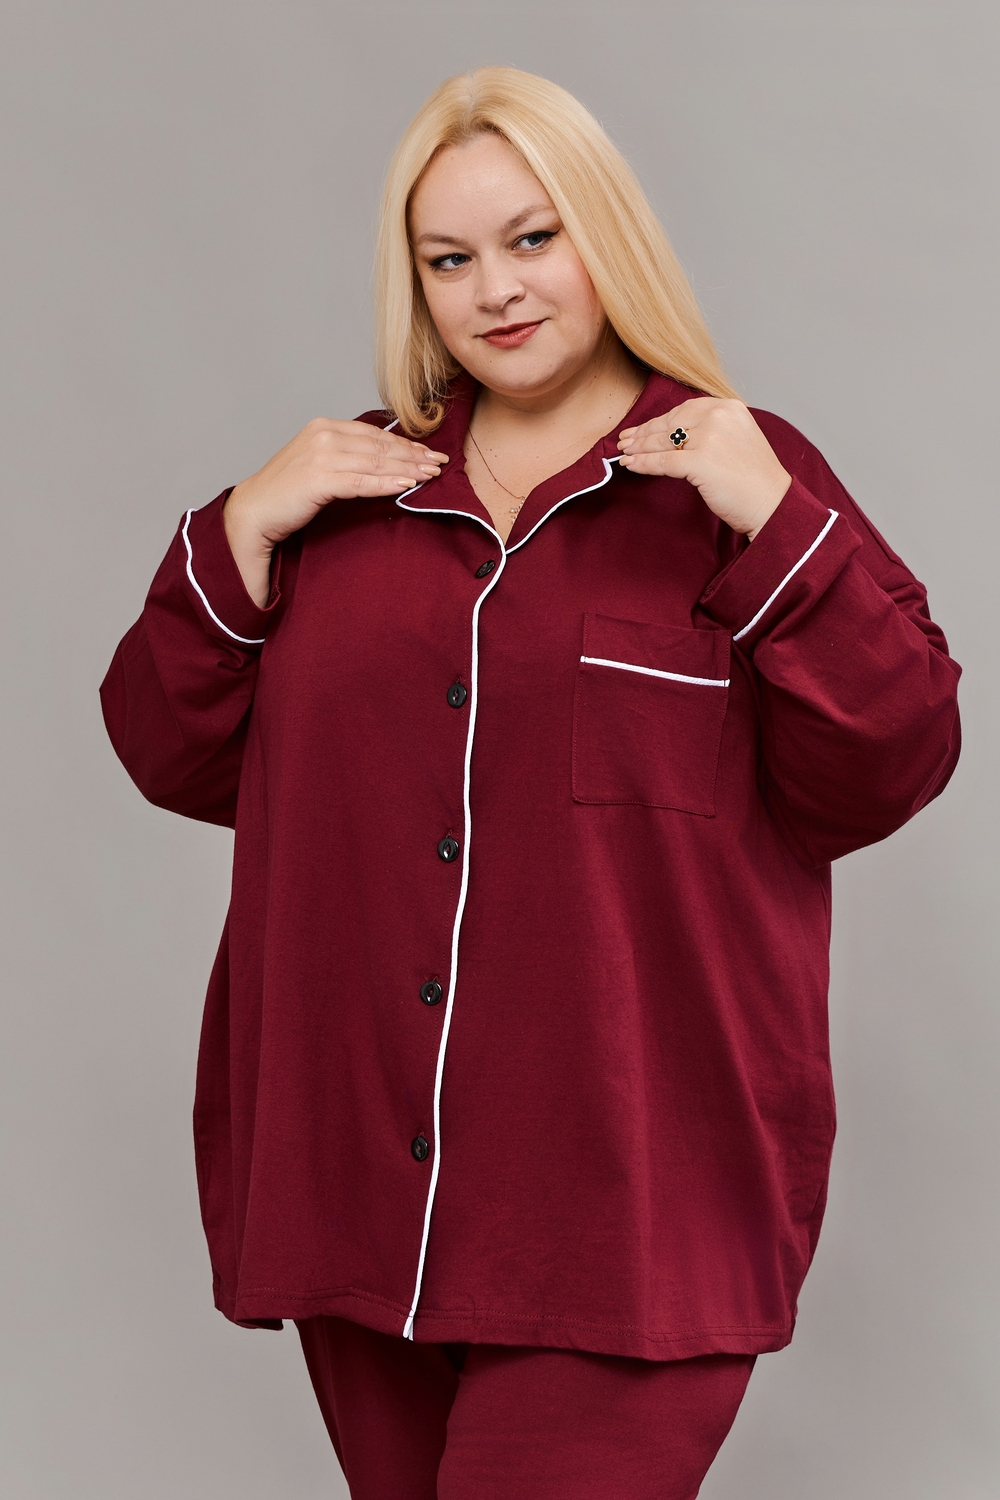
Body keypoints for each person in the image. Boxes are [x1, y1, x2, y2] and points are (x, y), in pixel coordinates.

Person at [100, 66, 961, 1500]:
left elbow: (889, 762)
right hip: (365, 1202)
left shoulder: (740, 481)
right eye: (449, 260)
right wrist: (242, 529)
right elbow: (168, 748)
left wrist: (770, 516)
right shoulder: (347, 499)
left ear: (603, 233)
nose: (495, 290)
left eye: (532, 238)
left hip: (629, 1208)